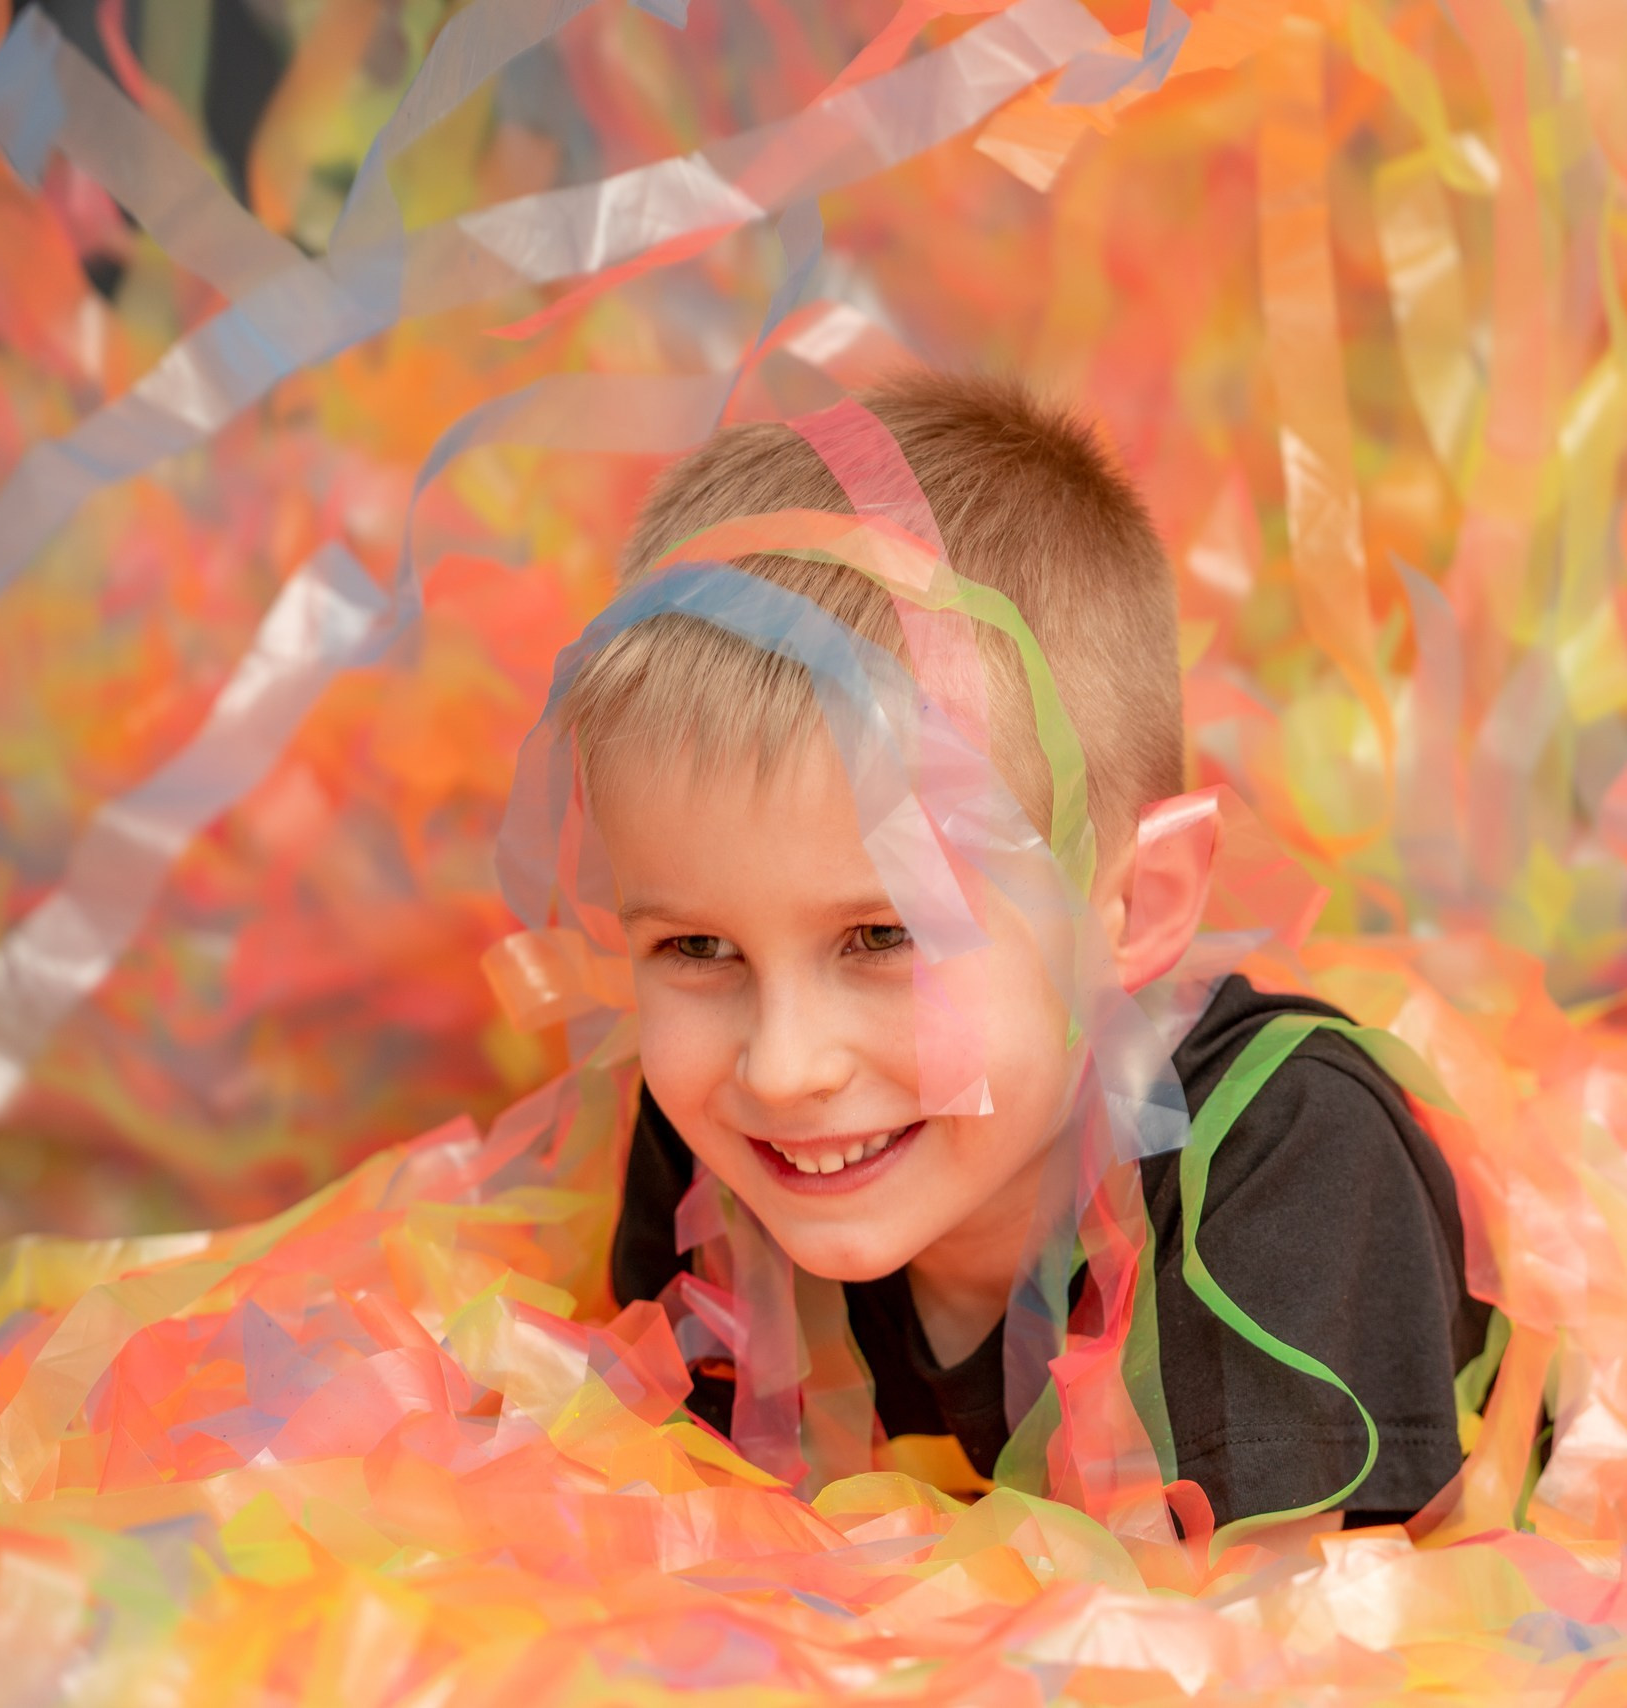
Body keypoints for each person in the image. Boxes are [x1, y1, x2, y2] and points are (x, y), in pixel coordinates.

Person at [579, 372, 1496, 1530]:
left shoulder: (1290, 1163)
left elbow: (1297, 1643)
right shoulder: (718, 1147)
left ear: (1135, 907)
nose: (782, 1065)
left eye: (882, 935)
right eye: (698, 946)